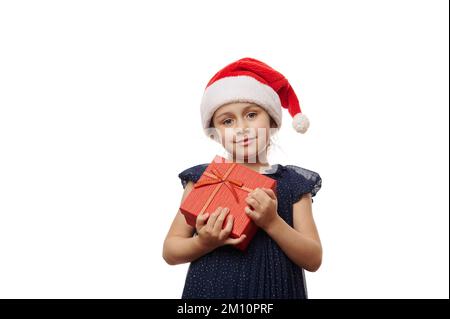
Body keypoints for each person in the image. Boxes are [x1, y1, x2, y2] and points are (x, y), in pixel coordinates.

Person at [163, 57, 323, 298]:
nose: (241, 128)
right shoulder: (205, 178)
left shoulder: (292, 184)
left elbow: (313, 259)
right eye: (228, 121)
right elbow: (170, 249)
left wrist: (273, 223)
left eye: (251, 115)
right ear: (215, 132)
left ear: (271, 120)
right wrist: (203, 243)